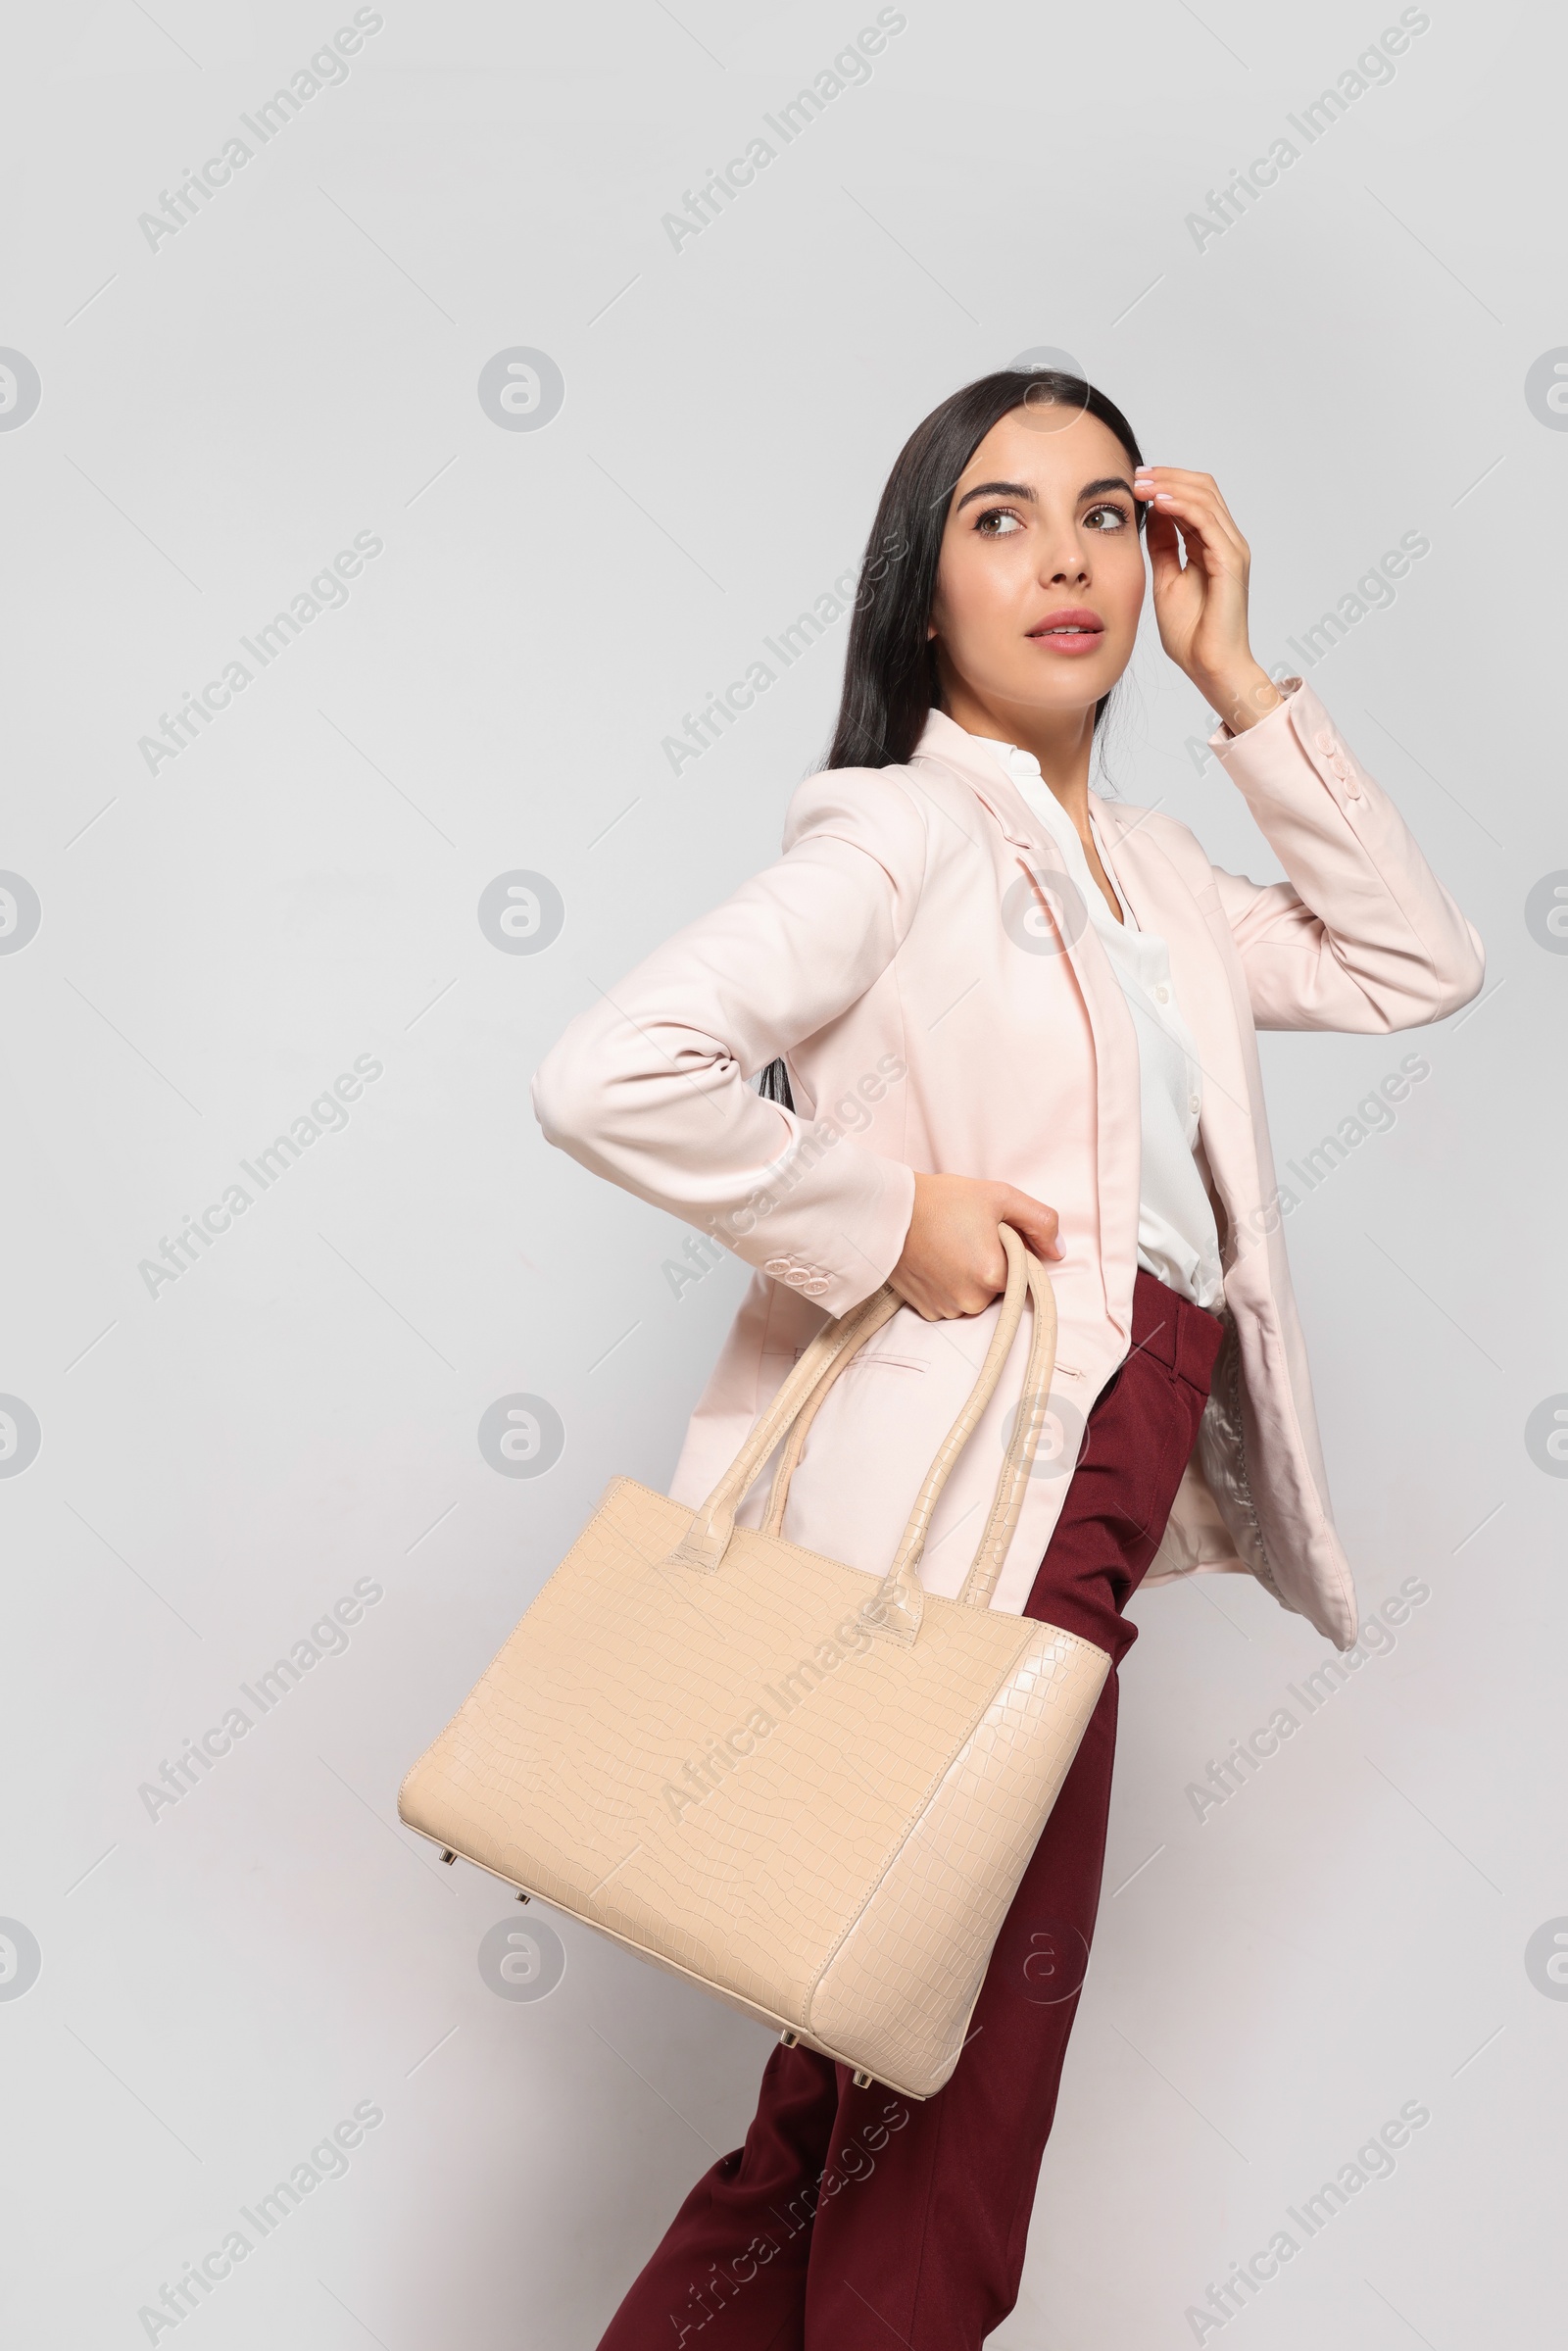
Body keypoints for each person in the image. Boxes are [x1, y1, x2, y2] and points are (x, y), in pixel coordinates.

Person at [531, 369, 1484, 2348]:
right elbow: (610, 1072)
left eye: (1104, 515)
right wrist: (892, 1222)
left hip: (1093, 1490)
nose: (1062, 555)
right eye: (997, 517)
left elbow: (1413, 960)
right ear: (920, 595)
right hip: (986, 1516)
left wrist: (1244, 690)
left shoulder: (1156, 878)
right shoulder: (899, 839)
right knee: (947, 2095)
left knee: (850, 2091)